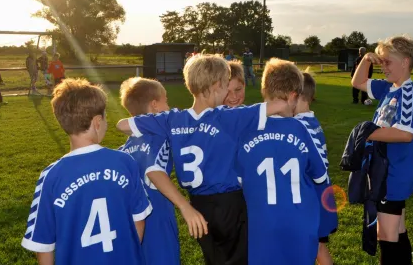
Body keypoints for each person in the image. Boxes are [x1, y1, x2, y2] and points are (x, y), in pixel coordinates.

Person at [116, 55, 287, 265]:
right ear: (216, 86)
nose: (227, 93)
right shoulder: (226, 116)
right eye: (225, 86)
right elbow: (277, 105)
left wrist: (154, 121)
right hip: (229, 203)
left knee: (214, 259)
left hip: (198, 205)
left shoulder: (172, 118)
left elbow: (123, 125)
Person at [20, 78, 152, 265]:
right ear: (98, 122)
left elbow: (44, 245)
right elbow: (139, 220)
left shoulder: (51, 176)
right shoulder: (125, 162)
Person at [236, 59, 328, 265]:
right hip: (299, 224)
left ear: (264, 91)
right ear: (294, 96)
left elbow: (239, 179)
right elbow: (320, 175)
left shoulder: (246, 131)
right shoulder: (301, 129)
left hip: (262, 224)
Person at [351, 35, 413, 265]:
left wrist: (367, 132)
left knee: (387, 235)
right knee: (398, 230)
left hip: (394, 173)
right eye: (382, 62)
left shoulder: (407, 92)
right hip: (385, 171)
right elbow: (358, 82)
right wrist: (367, 61)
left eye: (388, 62)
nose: (384, 67)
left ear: (405, 61)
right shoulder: (389, 88)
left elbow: (406, 133)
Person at [120, 77, 203, 265]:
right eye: (166, 100)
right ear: (155, 105)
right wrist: (184, 206)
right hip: (155, 215)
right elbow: (154, 170)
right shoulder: (156, 137)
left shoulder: (127, 145)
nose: (169, 105)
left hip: (131, 216)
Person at [295, 72, 338, 265]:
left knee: (309, 245)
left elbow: (315, 165)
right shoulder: (310, 120)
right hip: (318, 193)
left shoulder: (301, 125)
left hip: (314, 195)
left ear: (295, 95)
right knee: (318, 245)